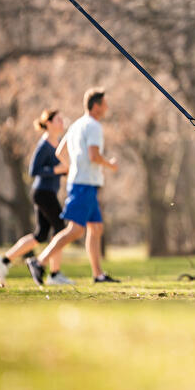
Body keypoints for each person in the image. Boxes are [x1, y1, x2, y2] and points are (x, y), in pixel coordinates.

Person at [27, 88, 119, 285]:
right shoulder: (93, 126)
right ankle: (39, 261)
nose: (107, 107)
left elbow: (60, 152)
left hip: (84, 183)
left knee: (96, 228)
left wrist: (73, 167)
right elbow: (94, 156)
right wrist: (110, 164)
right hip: (84, 184)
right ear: (96, 106)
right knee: (76, 230)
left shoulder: (77, 124)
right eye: (105, 104)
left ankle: (98, 275)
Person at [0, 109, 73, 287]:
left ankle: (4, 260)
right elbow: (33, 171)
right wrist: (56, 170)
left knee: (41, 235)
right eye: (58, 119)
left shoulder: (57, 143)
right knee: (60, 230)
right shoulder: (44, 145)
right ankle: (54, 274)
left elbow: (59, 170)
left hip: (47, 193)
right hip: (42, 193)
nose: (62, 122)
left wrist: (65, 171)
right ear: (48, 123)